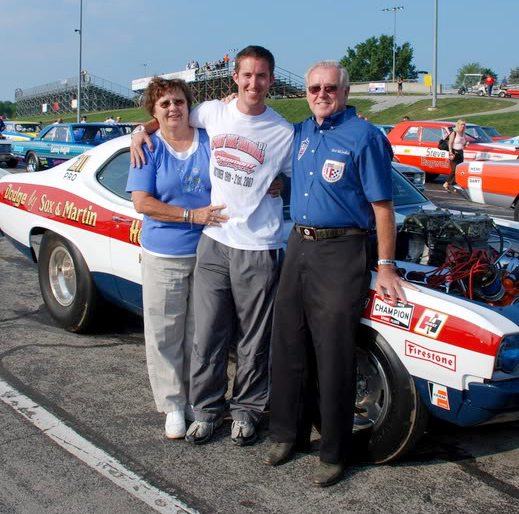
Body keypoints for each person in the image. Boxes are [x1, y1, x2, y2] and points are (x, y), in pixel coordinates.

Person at [131, 46, 294, 447]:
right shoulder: (213, 113)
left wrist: (284, 183)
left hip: (259, 246)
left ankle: (246, 410)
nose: (254, 83)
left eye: (261, 76)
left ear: (271, 80)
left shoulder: (284, 132)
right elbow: (167, 118)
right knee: (207, 335)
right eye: (247, 75)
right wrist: (140, 130)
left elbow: (296, 178)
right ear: (234, 78)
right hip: (214, 243)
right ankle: (205, 410)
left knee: (254, 340)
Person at [264, 60, 413, 487]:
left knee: (333, 353)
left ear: (345, 92)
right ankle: (286, 434)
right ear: (306, 92)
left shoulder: (365, 136)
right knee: (288, 343)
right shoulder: (301, 132)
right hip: (299, 245)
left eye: (331, 88)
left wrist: (385, 266)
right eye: (314, 88)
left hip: (342, 249)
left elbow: (384, 208)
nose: (322, 94)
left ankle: (334, 450)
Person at [126, 77, 227, 439]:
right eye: (164, 103)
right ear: (154, 111)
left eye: (179, 101)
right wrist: (191, 216)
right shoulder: (148, 147)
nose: (173, 108)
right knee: (165, 332)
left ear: (189, 105)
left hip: (208, 253)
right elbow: (142, 203)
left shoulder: (209, 139)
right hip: (164, 253)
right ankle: (172, 405)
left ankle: (197, 399)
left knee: (200, 334)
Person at [443, 119, 468, 192]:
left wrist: (466, 144)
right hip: (454, 152)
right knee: (454, 170)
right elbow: (450, 143)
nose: (463, 126)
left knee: (459, 170)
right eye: (461, 124)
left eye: (464, 125)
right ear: (458, 125)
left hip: (460, 153)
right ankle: (447, 183)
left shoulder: (464, 134)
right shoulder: (454, 133)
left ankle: (456, 184)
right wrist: (450, 152)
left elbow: (463, 143)